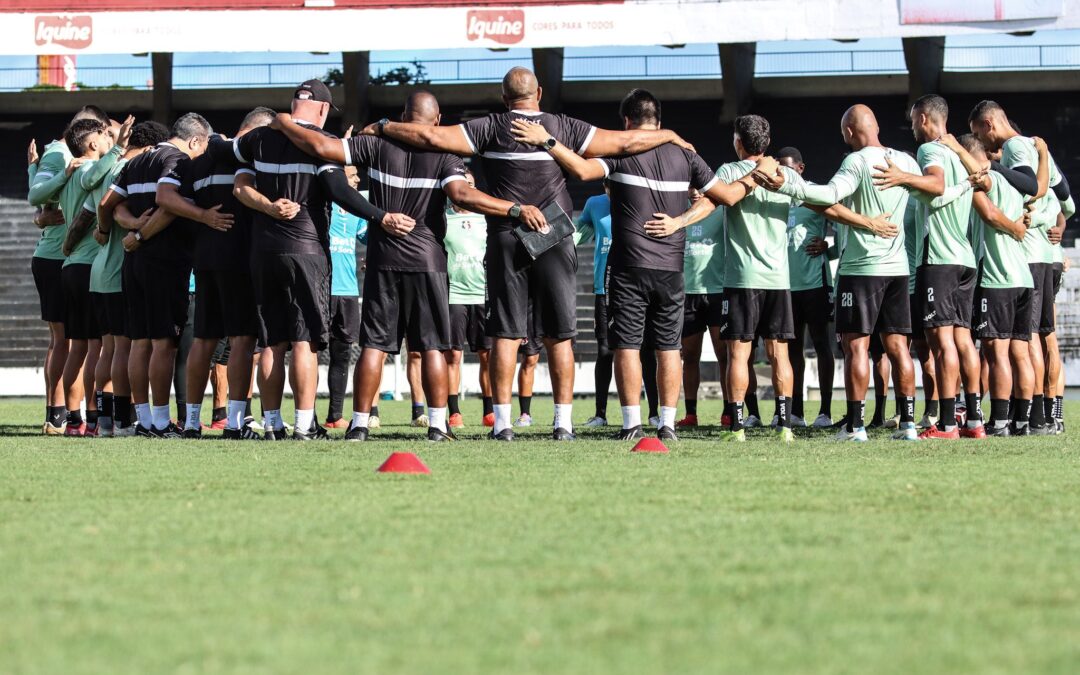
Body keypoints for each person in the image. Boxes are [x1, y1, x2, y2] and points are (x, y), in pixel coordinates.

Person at [370, 67, 696, 441]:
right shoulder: (563, 126)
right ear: (538, 92)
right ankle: (563, 424)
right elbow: (624, 144)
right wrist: (667, 133)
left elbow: (428, 134)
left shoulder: (489, 127)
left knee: (506, 334)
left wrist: (383, 127)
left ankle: (504, 425)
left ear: (502, 95)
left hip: (508, 235)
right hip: (554, 236)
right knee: (560, 335)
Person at [272, 89, 546, 442]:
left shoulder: (375, 146)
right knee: (431, 346)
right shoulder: (445, 154)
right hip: (428, 261)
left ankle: (358, 425)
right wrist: (512, 208)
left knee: (373, 345)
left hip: (383, 259)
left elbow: (323, 148)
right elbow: (462, 195)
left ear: (402, 116)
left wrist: (284, 123)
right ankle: (436, 424)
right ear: (436, 122)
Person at [513, 89, 775, 439]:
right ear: (660, 120)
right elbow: (727, 197)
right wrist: (758, 173)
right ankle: (667, 424)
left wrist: (547, 140)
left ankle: (631, 423)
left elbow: (580, 168)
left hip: (628, 269)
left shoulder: (621, 151)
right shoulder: (686, 155)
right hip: (671, 269)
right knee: (669, 348)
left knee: (628, 346)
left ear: (627, 122)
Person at [232, 80, 393, 441]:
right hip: (306, 250)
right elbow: (337, 190)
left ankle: (272, 423)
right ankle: (305, 424)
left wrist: (267, 205)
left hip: (262, 250)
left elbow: (236, 165)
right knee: (305, 341)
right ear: (322, 109)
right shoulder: (321, 145)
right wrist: (379, 216)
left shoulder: (255, 140)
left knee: (272, 340)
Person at [775, 104, 923, 441]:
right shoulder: (906, 161)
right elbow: (930, 190)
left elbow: (828, 195)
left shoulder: (855, 162)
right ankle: (909, 424)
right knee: (899, 348)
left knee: (856, 347)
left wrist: (789, 183)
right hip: (898, 268)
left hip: (861, 269)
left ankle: (856, 426)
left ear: (849, 132)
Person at [99, 112, 228, 438]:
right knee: (163, 344)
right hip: (165, 261)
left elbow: (109, 205)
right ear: (196, 140)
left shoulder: (137, 161)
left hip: (134, 263)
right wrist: (199, 217)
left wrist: (130, 226)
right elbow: (167, 202)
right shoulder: (179, 160)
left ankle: (143, 420)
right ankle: (158, 422)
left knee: (139, 342)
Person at [872, 94, 985, 439]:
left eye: (912, 120)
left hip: (938, 258)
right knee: (964, 341)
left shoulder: (929, 150)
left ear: (923, 119)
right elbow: (976, 179)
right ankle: (975, 420)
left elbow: (935, 186)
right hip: (964, 258)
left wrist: (902, 178)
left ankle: (948, 424)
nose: (911, 127)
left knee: (941, 343)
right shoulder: (958, 151)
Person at [968, 99, 1075, 434]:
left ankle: (1032, 417)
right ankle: (1048, 415)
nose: (984, 145)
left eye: (978, 135)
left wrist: (994, 168)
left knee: (1024, 342)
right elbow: (1065, 198)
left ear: (988, 124)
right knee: (1046, 338)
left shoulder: (1015, 147)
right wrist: (1058, 224)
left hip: (1024, 254)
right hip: (1049, 257)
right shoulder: (1036, 147)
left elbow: (1029, 186)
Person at [179, 107, 275, 439]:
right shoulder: (246, 156)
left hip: (204, 259)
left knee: (203, 342)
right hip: (239, 259)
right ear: (255, 132)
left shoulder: (200, 160)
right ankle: (235, 422)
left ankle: (192, 421)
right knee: (242, 340)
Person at [27, 105, 111, 434]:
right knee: (70, 341)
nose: (105, 135)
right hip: (58, 257)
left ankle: (66, 414)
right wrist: (55, 177)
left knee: (75, 341)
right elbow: (37, 197)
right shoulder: (60, 153)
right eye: (102, 131)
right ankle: (62, 413)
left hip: (67, 256)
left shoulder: (71, 157)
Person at [86, 120, 169, 436]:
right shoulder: (133, 165)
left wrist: (104, 229)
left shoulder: (109, 166)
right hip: (119, 266)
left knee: (109, 348)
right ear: (150, 148)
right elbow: (109, 205)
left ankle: (103, 421)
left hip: (100, 269)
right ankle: (122, 421)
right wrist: (135, 226)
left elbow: (96, 209)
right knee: (123, 347)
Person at [951, 133, 1035, 435]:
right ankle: (1022, 422)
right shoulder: (1014, 188)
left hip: (998, 279)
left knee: (996, 352)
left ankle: (999, 422)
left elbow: (987, 206)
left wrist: (957, 151)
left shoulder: (987, 181)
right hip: (1023, 278)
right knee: (1019, 353)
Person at [56, 116, 132, 435]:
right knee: (101, 348)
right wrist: (120, 151)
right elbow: (96, 204)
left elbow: (50, 212)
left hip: (75, 264)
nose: (109, 140)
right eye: (105, 136)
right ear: (93, 143)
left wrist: (66, 247)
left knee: (82, 348)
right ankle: (93, 417)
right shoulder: (93, 170)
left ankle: (77, 420)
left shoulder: (70, 173)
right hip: (93, 264)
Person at [776, 146, 836, 429]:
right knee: (792, 349)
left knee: (822, 344)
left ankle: (825, 411)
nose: (784, 172)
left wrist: (829, 246)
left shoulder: (815, 193)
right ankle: (795, 411)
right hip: (785, 285)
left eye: (789, 167)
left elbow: (844, 225)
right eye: (780, 167)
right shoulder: (776, 197)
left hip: (815, 283)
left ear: (800, 168)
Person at [444, 170, 491, 429]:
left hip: (482, 295)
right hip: (454, 296)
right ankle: (454, 411)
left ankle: (489, 411)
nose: (466, 188)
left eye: (470, 184)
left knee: (487, 355)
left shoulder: (486, 219)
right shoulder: (443, 219)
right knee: (453, 354)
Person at [676, 187, 727, 428]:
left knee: (724, 356)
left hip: (717, 293)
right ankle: (691, 414)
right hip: (688, 295)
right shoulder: (679, 214)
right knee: (690, 358)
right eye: (691, 187)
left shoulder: (720, 211)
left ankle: (729, 411)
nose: (695, 192)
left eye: (700, 187)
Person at [323, 171, 369, 430]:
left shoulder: (356, 211)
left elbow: (370, 237)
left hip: (348, 290)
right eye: (352, 175)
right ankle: (305, 415)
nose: (357, 180)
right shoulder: (322, 204)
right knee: (307, 351)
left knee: (341, 355)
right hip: (321, 289)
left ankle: (334, 415)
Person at [574, 183, 614, 428]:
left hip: (635, 285)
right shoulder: (595, 203)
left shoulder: (640, 196)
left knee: (645, 351)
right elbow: (581, 233)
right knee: (605, 351)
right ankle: (600, 414)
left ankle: (653, 412)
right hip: (604, 286)